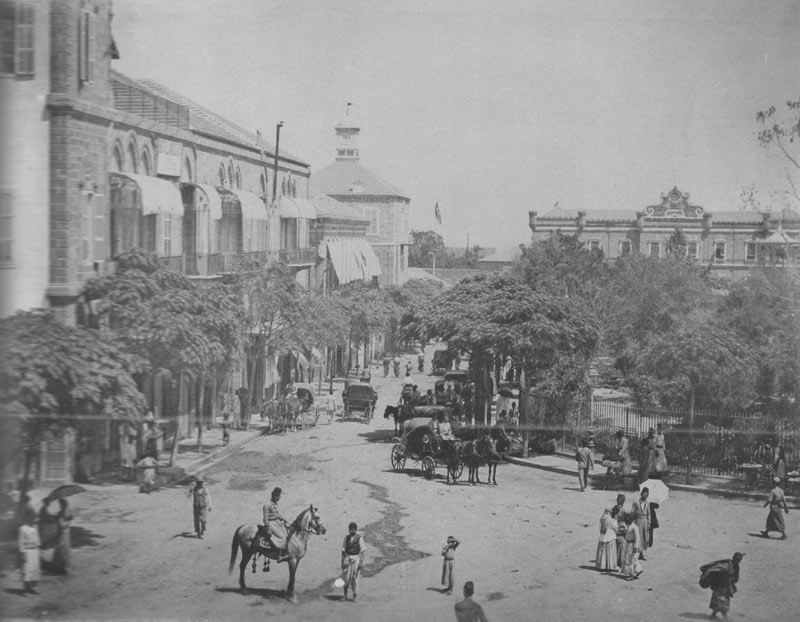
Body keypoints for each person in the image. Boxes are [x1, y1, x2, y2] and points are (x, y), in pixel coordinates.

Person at [700, 552, 744, 619]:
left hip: (724, 586)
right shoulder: (728, 563)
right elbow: (717, 566)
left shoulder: (734, 566)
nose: (738, 561)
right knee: (722, 601)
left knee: (718, 601)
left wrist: (731, 580)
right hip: (720, 585)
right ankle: (725, 617)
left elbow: (736, 579)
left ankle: (713, 615)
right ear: (734, 558)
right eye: (737, 559)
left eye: (739, 560)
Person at [262, 487, 290, 566]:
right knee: (282, 537)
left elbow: (277, 515)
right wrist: (268, 529)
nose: (280, 498)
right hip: (271, 524)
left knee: (288, 534)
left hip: (277, 522)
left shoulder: (275, 504)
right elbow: (265, 519)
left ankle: (286, 552)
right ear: (275, 496)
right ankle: (280, 556)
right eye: (279, 496)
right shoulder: (267, 505)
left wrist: (285, 520)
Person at [18, 510, 41, 595]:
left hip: (35, 551)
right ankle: (25, 589)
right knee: (26, 570)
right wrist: (23, 553)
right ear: (29, 517)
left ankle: (32, 588)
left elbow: (37, 539)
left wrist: (38, 551)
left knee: (34, 570)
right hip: (27, 551)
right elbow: (21, 542)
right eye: (34, 517)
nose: (35, 519)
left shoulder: (35, 527)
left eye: (36, 518)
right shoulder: (23, 528)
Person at [341, 521, 365, 601]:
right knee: (346, 578)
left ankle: (355, 596)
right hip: (347, 558)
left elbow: (363, 551)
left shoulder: (359, 538)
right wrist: (342, 562)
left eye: (353, 530)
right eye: (350, 530)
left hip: (356, 558)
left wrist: (360, 563)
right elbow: (343, 550)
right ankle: (345, 596)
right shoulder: (346, 538)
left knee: (355, 578)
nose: (351, 531)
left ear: (355, 530)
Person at [53, 498, 73, 574]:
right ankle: (63, 565)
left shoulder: (61, 513)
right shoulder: (65, 513)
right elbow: (64, 524)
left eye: (60, 504)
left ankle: (62, 565)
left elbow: (62, 524)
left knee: (63, 548)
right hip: (64, 532)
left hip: (63, 532)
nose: (60, 506)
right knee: (64, 548)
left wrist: (67, 521)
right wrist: (69, 521)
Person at [619, 513, 642, 579]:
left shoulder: (634, 527)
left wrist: (636, 547)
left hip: (632, 545)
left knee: (631, 559)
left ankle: (631, 574)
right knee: (631, 558)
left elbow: (637, 537)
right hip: (628, 544)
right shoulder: (629, 525)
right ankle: (638, 570)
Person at [630, 487, 650, 559]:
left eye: (646, 495)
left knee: (645, 538)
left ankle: (642, 553)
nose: (645, 496)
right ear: (641, 494)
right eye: (643, 494)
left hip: (645, 522)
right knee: (638, 537)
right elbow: (632, 512)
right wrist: (632, 520)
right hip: (638, 521)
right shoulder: (636, 502)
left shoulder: (647, 503)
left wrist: (649, 523)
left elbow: (649, 514)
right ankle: (637, 553)